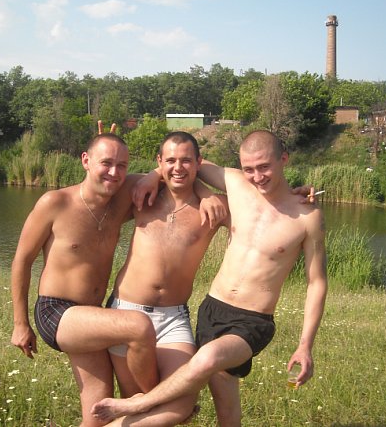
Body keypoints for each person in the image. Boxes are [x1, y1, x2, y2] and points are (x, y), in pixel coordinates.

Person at [91, 130, 328, 427]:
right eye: (249, 169)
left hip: (253, 319)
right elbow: (186, 166)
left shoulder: (307, 215)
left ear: (284, 159)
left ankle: (137, 403)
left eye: (264, 167)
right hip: (212, 310)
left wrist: (305, 345)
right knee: (227, 411)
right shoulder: (237, 187)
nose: (257, 177)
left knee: (206, 359)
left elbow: (317, 282)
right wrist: (155, 175)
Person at [10, 127, 224, 427]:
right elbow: (22, 261)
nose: (114, 172)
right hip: (57, 310)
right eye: (106, 163)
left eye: (122, 165)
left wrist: (205, 192)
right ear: (86, 160)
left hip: (95, 316)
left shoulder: (124, 197)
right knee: (138, 327)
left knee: (96, 415)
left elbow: (174, 173)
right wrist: (20, 323)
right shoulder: (55, 202)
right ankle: (148, 400)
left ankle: (144, 404)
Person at [104, 131, 228, 426]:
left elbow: (261, 206)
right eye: (170, 161)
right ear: (159, 161)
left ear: (199, 163)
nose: (178, 167)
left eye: (186, 160)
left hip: (173, 319)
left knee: (181, 404)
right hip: (127, 312)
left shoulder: (215, 207)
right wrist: (152, 176)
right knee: (136, 401)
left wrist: (297, 195)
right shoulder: (141, 193)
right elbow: (97, 188)